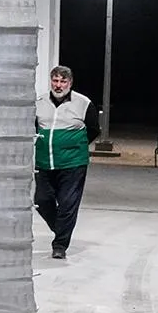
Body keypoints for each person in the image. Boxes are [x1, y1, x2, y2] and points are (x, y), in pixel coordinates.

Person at [35, 65, 99, 260]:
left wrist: (74, 146)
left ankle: (60, 245)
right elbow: (34, 128)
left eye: (63, 81)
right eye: (55, 80)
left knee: (67, 203)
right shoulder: (39, 102)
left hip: (73, 164)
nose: (58, 85)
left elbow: (94, 129)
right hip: (44, 162)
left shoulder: (83, 103)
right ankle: (61, 228)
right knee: (42, 200)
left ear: (70, 83)